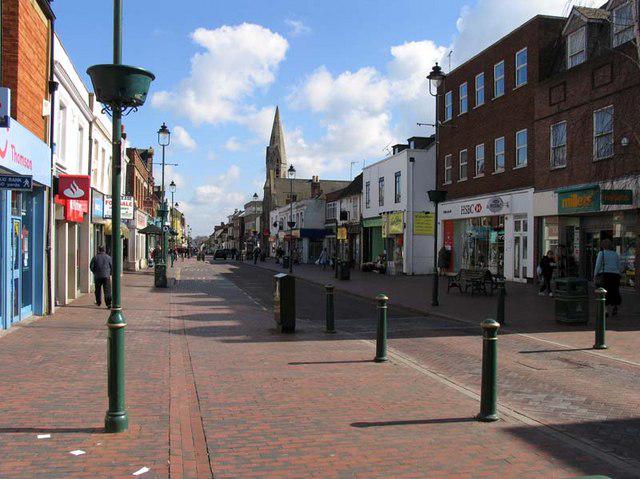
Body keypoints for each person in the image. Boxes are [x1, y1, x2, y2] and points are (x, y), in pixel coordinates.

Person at [594, 239, 622, 317]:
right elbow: (619, 265)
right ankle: (614, 306)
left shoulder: (601, 253)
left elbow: (598, 265)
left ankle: (605, 311)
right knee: (614, 291)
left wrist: (595, 275)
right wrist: (619, 273)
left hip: (605, 275)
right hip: (615, 276)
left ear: (602, 246)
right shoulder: (615, 254)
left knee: (603, 292)